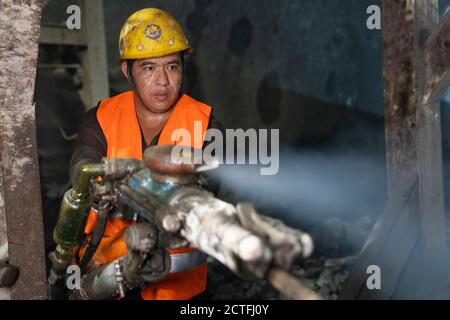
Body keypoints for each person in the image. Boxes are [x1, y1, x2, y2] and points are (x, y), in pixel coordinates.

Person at [69, 8, 224, 300]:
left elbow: (207, 187)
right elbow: (83, 165)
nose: (163, 81)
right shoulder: (100, 118)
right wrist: (97, 182)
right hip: (106, 279)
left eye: (172, 67)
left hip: (177, 287)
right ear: (128, 71)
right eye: (149, 68)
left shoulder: (206, 123)